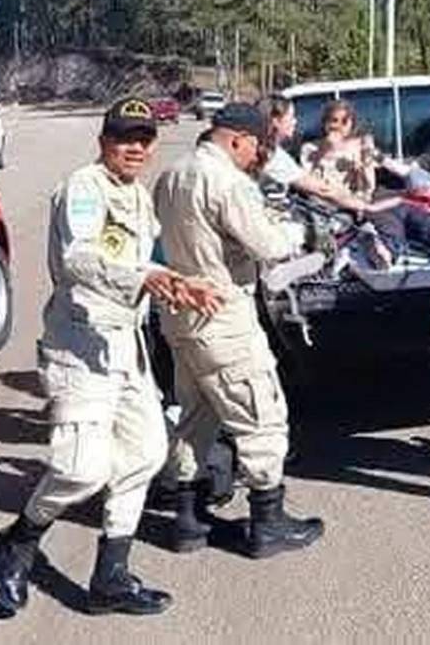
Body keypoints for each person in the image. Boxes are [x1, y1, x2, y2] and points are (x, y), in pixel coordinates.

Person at [0, 97, 222, 617]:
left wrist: (182, 281)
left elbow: (151, 259)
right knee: (81, 470)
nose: (135, 147)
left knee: (144, 454)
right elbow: (78, 258)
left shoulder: (137, 196)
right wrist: (145, 277)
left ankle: (110, 577)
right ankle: (20, 541)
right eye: (123, 137)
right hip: (80, 345)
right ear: (103, 142)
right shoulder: (85, 187)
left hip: (126, 345)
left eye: (143, 138)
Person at [154, 102, 325, 558]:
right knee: (261, 417)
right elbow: (268, 245)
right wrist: (297, 234)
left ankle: (188, 521)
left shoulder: (172, 174)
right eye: (256, 146)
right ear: (236, 139)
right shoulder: (226, 181)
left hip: (182, 315)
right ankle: (268, 523)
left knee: (195, 417)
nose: (258, 155)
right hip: (223, 316)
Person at [258, 96, 369, 214]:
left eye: (344, 121)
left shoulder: (362, 147)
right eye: (291, 117)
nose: (295, 121)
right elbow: (317, 188)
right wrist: (368, 207)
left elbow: (368, 185)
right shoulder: (273, 156)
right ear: (276, 121)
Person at [360, 166, 430, 268]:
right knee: (394, 226)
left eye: (424, 189)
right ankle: (385, 251)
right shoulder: (410, 199)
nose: (421, 193)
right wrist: (370, 208)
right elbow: (397, 200)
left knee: (428, 225)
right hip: (407, 219)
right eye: (416, 190)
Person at [301, 99, 376, 199]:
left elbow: (369, 187)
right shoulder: (310, 149)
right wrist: (324, 152)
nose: (338, 126)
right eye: (334, 120)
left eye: (344, 121)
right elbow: (306, 183)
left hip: (350, 202)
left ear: (352, 123)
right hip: (320, 203)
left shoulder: (362, 146)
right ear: (325, 123)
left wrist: (360, 170)